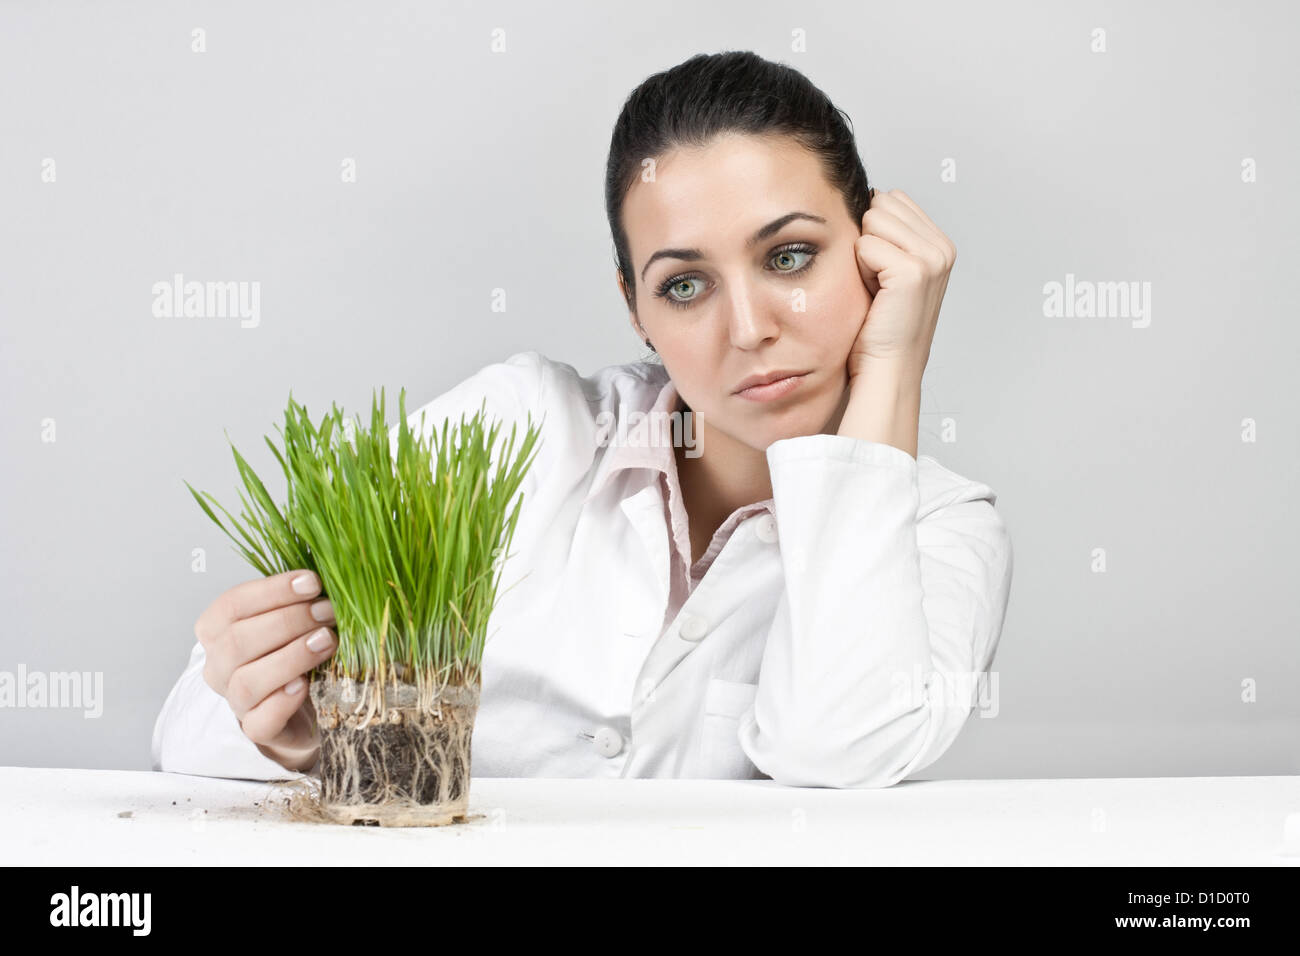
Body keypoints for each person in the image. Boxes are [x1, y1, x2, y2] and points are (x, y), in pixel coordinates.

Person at [152, 50, 1013, 788]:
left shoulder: (942, 529)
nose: (749, 328)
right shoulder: (520, 428)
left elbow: (841, 750)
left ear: (873, 253)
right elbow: (190, 724)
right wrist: (295, 734)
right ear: (637, 310)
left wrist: (896, 365)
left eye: (790, 256)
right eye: (685, 284)